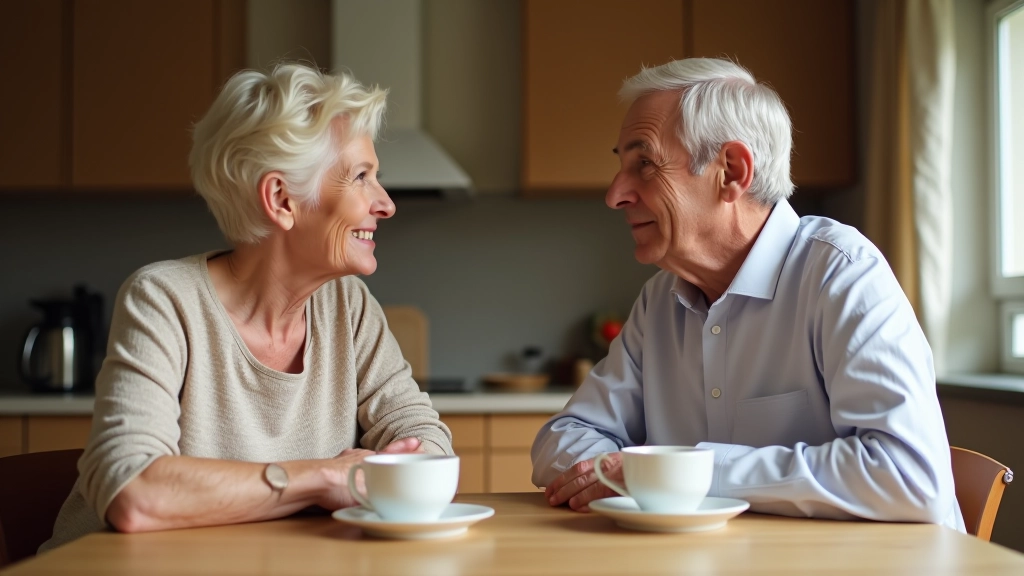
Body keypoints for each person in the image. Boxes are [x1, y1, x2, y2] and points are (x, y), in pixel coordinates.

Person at [531, 58, 963, 530]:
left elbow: (908, 477)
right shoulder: (659, 302)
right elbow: (564, 436)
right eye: (621, 166)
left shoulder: (841, 275)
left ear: (732, 172)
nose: (615, 194)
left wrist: (680, 474)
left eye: (645, 164)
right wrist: (616, 474)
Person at [41, 63, 453, 551]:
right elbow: (135, 493)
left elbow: (426, 440)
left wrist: (395, 465)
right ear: (281, 199)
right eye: (361, 177)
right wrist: (322, 477)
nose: (385, 204)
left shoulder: (349, 306)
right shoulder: (164, 299)